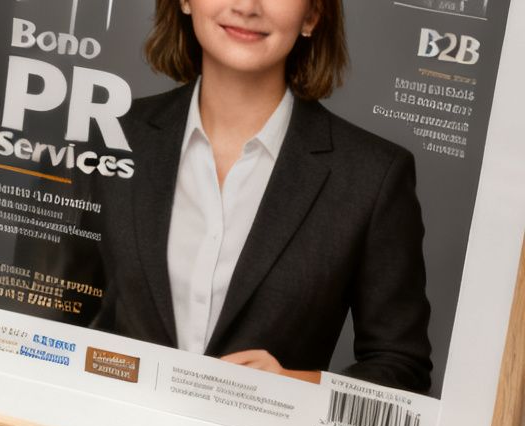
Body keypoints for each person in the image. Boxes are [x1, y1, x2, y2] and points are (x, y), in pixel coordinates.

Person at [94, 0, 432, 393]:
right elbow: (45, 320)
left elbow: (402, 368)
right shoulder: (105, 140)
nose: (246, 6)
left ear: (312, 15)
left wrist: (294, 386)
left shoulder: (373, 175)